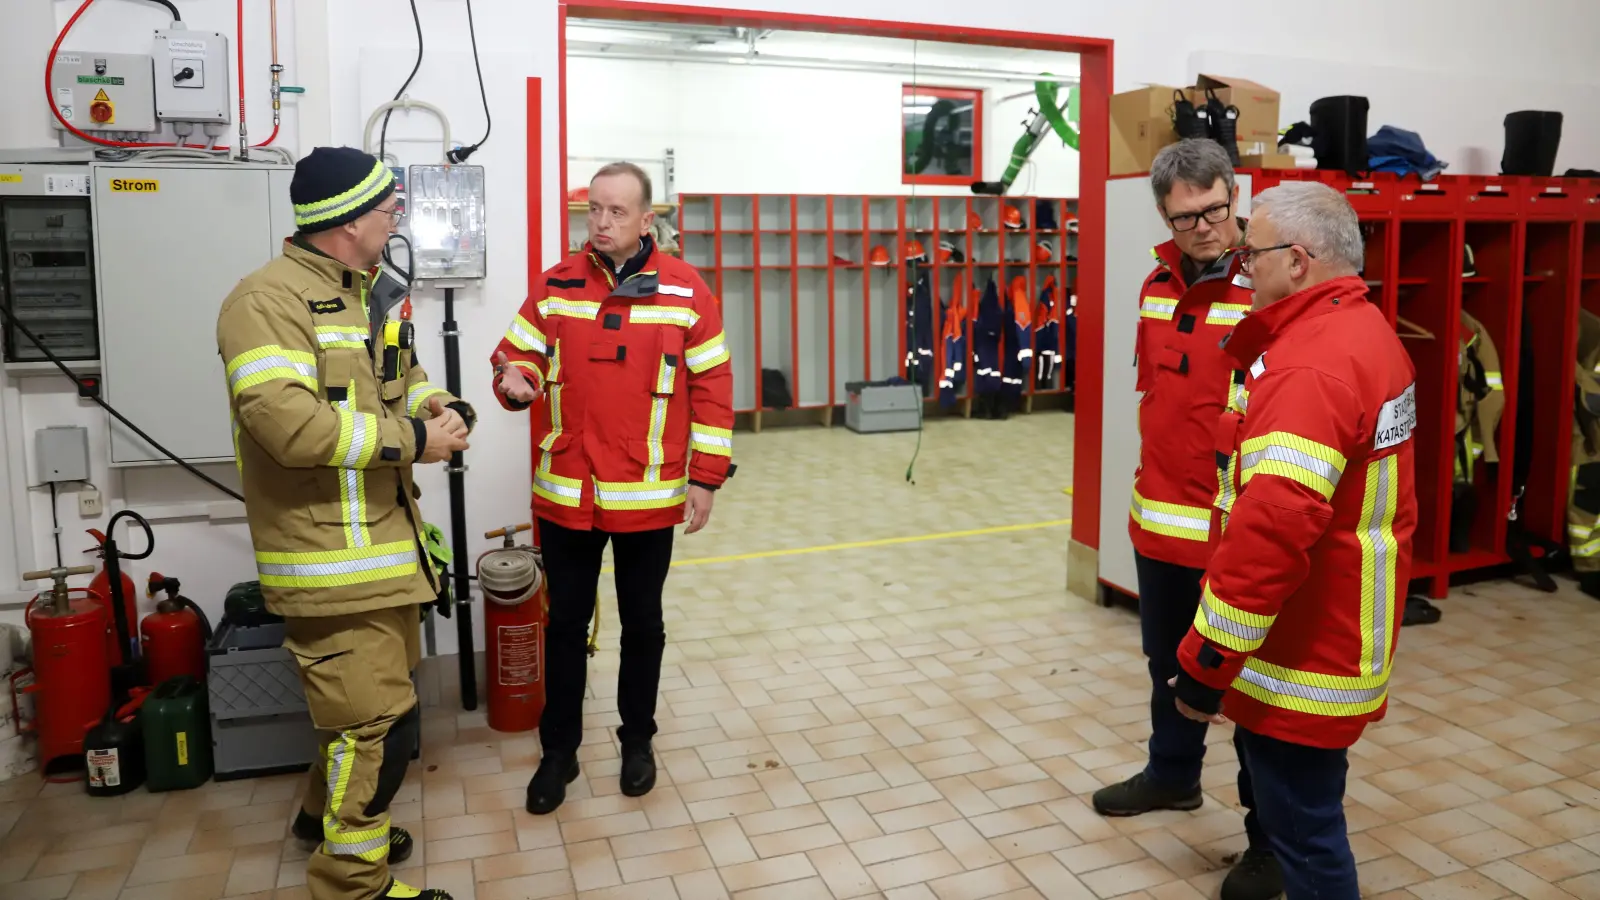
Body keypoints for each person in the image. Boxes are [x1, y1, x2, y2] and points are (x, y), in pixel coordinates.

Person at [216, 145, 471, 900]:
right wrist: (415, 442)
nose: (398, 218)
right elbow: (288, 427)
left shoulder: (367, 293)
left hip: (387, 555)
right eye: (389, 207)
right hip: (329, 564)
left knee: (354, 720)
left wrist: (434, 407)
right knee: (377, 730)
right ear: (348, 220)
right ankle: (353, 885)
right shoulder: (263, 302)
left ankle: (318, 822)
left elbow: (402, 375)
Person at [1172, 181, 1417, 900]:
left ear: (1301, 261)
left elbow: (1272, 534)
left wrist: (1207, 660)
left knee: (1304, 835)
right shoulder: (1360, 332)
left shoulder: (1313, 364)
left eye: (1254, 254)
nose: (1243, 268)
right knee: (1305, 820)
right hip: (1337, 630)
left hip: (1307, 649)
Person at [492, 162, 735, 815]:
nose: (601, 222)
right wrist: (515, 379)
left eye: (616, 211)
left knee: (643, 626)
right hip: (569, 491)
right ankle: (559, 751)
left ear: (645, 219)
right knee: (565, 626)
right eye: (593, 209)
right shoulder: (556, 285)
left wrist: (706, 479)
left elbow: (712, 390)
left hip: (648, 496)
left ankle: (637, 743)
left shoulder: (686, 292)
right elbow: (515, 355)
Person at [1092, 139, 1281, 899]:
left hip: (1234, 529)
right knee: (1167, 665)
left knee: (1246, 683)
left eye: (1213, 211)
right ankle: (1173, 775)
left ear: (1234, 197)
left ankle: (1268, 839)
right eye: (1183, 218)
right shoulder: (1154, 284)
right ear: (1165, 218)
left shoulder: (1270, 289)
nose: (1202, 228)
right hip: (1161, 520)